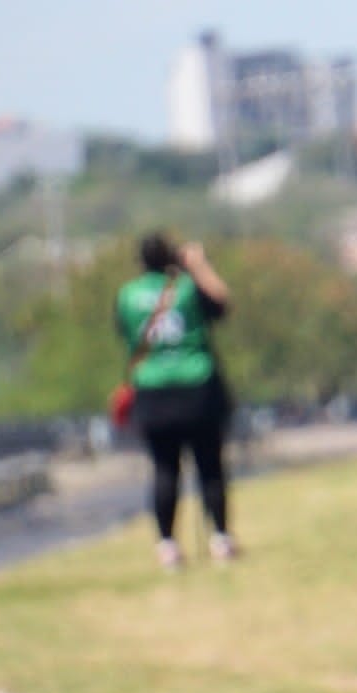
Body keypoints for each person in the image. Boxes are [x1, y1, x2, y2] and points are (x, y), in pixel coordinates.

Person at [114, 231, 238, 569]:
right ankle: (221, 539)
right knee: (209, 467)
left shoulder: (127, 294)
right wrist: (198, 266)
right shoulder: (186, 288)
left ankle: (167, 544)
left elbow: (125, 334)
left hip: (152, 392)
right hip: (197, 386)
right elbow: (222, 303)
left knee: (165, 469)